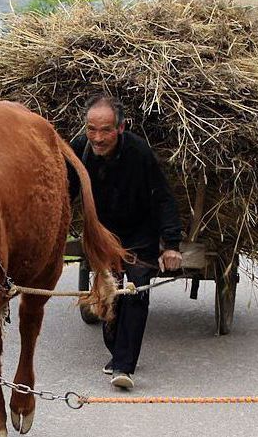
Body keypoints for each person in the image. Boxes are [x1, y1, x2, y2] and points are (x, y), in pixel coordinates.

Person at [69, 93, 183, 391]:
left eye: (105, 130)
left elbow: (163, 198)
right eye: (92, 129)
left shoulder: (139, 153)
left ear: (120, 128)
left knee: (134, 293)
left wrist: (171, 244)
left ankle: (124, 365)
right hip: (102, 235)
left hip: (139, 234)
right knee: (110, 295)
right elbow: (65, 192)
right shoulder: (79, 151)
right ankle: (117, 351)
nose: (98, 137)